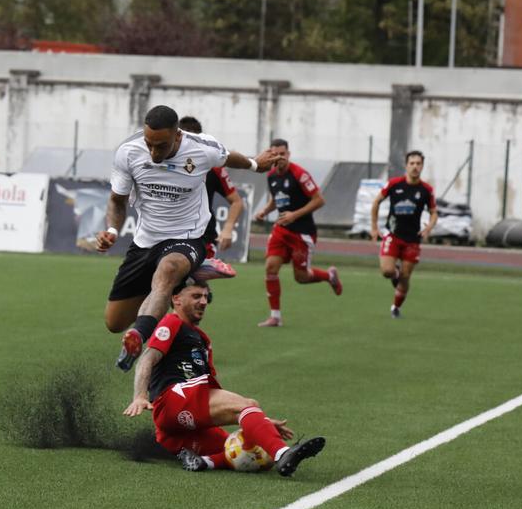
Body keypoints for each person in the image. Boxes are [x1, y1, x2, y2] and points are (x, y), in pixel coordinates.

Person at [97, 105, 276, 370]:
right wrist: (112, 231)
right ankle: (186, 277)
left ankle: (138, 336)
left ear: (177, 135)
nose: (154, 153)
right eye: (150, 144)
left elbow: (228, 157)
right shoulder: (129, 152)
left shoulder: (202, 148)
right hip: (146, 241)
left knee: (168, 269)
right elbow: (117, 201)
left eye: (161, 145)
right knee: (114, 322)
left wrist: (254, 164)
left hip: (189, 237)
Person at [122, 280, 326, 475]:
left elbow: (216, 399)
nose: (203, 301)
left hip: (175, 431)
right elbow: (146, 359)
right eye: (196, 296)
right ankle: (283, 452)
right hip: (171, 402)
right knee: (248, 404)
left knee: (255, 451)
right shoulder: (171, 322)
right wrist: (140, 395)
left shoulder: (203, 340)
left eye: (205, 297)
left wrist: (259, 422)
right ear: (176, 299)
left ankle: (204, 462)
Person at [251, 139, 342, 327]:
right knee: (270, 268)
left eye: (282, 154)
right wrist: (265, 211)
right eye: (275, 154)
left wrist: (294, 215)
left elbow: (319, 200)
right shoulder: (271, 175)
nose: (279, 158)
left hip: (302, 232)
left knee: (301, 277)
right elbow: (276, 199)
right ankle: (275, 316)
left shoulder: (300, 174)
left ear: (288, 154)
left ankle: (329, 276)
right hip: (281, 230)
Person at [369, 150, 437, 319]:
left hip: (413, 239)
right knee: (387, 271)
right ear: (406, 166)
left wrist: (429, 227)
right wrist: (374, 226)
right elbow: (376, 202)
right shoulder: (394, 184)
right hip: (393, 235)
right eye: (412, 163)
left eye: (418, 164)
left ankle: (395, 307)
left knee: (406, 277)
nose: (415, 167)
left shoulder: (426, 190)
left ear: (422, 166)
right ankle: (395, 274)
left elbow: (434, 212)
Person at [177, 116, 245, 264]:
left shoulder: (213, 168)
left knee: (193, 285)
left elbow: (237, 202)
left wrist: (227, 229)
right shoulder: (164, 164)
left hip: (203, 238)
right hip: (169, 235)